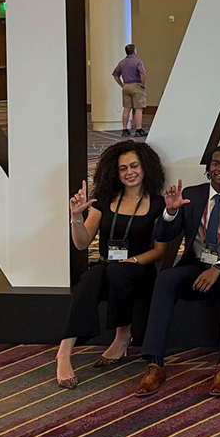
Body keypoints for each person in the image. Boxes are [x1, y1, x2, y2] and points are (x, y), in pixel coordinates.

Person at [134, 145, 220, 398]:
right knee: (166, 278)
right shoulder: (192, 195)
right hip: (195, 264)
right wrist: (170, 212)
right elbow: (164, 235)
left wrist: (218, 267)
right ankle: (155, 363)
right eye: (215, 164)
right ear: (208, 169)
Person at [58, 141, 168, 389]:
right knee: (89, 278)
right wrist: (75, 216)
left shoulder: (158, 204)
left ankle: (122, 337)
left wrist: (133, 260)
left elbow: (160, 251)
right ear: (115, 172)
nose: (129, 172)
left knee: (119, 272)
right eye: (122, 168)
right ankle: (64, 353)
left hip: (139, 272)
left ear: (145, 167)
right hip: (108, 268)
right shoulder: (105, 201)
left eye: (134, 166)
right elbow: (82, 243)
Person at [112, 44, 148, 138]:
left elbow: (115, 75)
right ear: (134, 51)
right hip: (136, 86)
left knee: (126, 108)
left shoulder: (122, 62)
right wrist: (143, 84)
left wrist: (122, 85)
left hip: (126, 86)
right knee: (138, 108)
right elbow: (143, 73)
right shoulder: (137, 62)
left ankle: (125, 129)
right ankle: (138, 129)